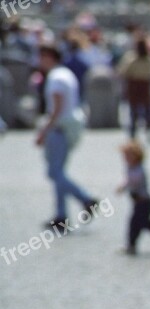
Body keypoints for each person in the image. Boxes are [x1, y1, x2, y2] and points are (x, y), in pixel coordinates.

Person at [36, 43, 98, 230]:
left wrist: (43, 131)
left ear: (49, 57)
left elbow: (56, 109)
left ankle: (86, 198)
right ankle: (61, 215)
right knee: (59, 172)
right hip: (68, 128)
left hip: (59, 129)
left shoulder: (55, 78)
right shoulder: (66, 74)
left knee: (54, 172)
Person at [116, 37, 150, 139]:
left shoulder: (133, 59)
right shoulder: (147, 59)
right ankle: (141, 129)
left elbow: (123, 72)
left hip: (139, 85)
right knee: (142, 110)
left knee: (138, 110)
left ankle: (139, 129)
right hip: (139, 85)